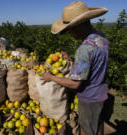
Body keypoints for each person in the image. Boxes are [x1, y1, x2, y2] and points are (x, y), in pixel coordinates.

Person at [41, 1, 109, 135]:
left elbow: (75, 83)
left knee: (87, 130)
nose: (69, 33)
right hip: (101, 92)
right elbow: (93, 62)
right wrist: (72, 60)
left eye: (69, 29)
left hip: (90, 98)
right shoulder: (101, 37)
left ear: (80, 25)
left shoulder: (84, 49)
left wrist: (51, 77)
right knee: (98, 126)